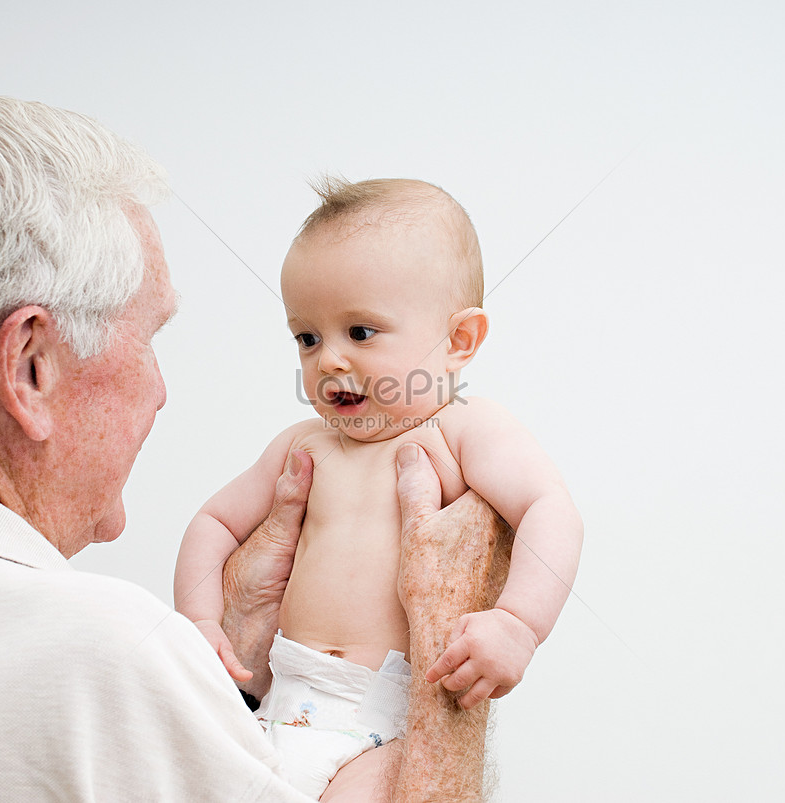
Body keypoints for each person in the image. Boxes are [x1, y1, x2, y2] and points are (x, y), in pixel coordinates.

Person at [0, 95, 509, 801]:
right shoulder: (100, 660)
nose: (162, 389)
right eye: (149, 338)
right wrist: (449, 647)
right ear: (30, 367)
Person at [174, 178, 585, 797]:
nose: (329, 361)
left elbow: (550, 509)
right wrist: (200, 621)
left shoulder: (460, 430)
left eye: (360, 333)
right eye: (307, 338)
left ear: (458, 341)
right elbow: (214, 524)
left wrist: (518, 623)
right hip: (276, 703)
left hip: (381, 721)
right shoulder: (301, 444)